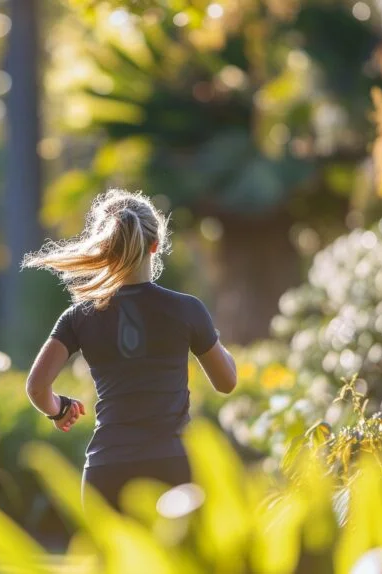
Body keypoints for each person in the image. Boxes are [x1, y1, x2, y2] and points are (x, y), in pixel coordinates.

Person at [22, 189, 237, 511]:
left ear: (103, 248)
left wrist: (59, 409)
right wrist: (209, 337)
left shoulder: (79, 316)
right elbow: (226, 382)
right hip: (172, 465)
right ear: (155, 246)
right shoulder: (187, 310)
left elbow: (37, 387)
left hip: (107, 468)